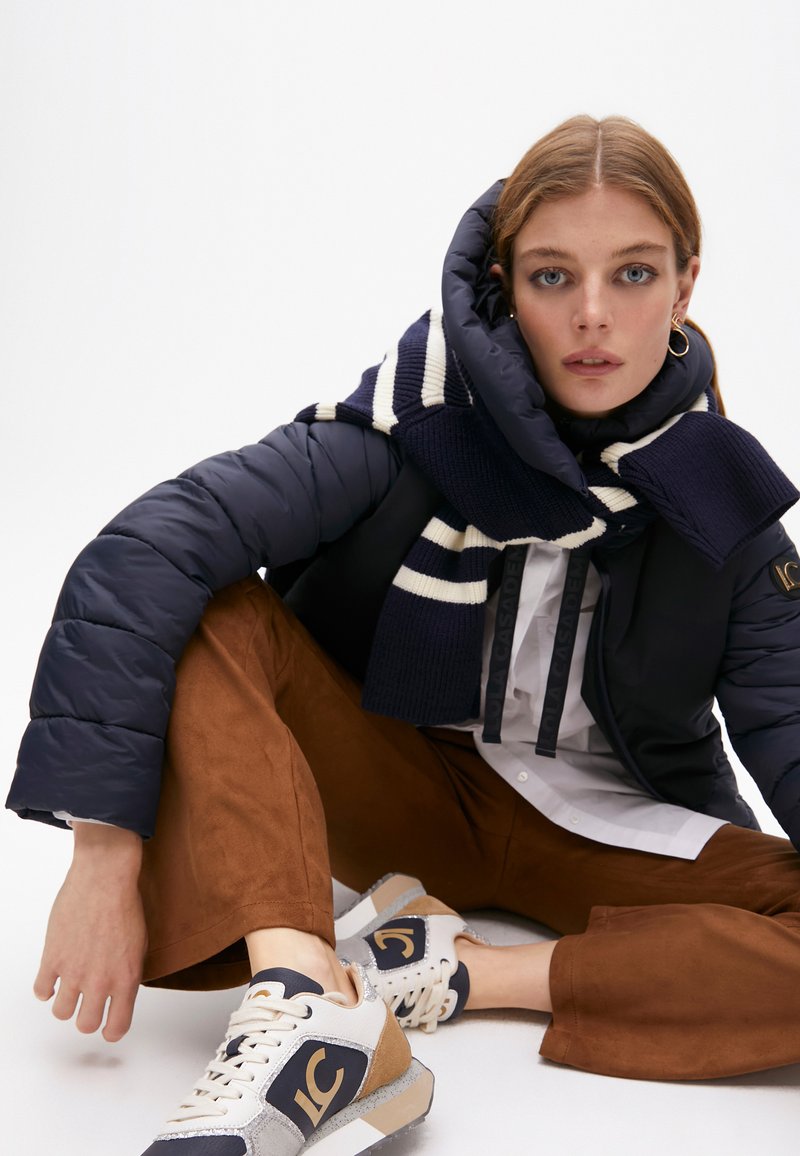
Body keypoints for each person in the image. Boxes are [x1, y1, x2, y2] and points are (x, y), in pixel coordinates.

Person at [8, 113, 800, 1155]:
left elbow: (789, 716)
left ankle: (455, 970)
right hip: (401, 784)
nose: (593, 316)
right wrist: (104, 851)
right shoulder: (403, 430)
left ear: (685, 285)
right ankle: (306, 994)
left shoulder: (722, 503)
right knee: (217, 607)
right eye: (552, 277)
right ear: (503, 286)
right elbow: (145, 549)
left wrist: (490, 972)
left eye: (634, 274)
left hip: (601, 825)